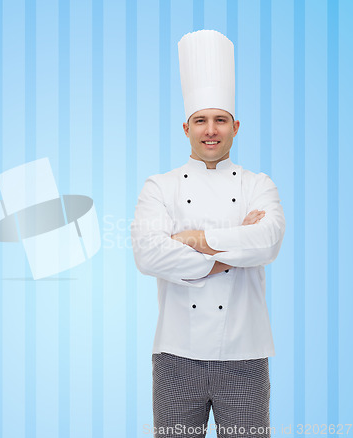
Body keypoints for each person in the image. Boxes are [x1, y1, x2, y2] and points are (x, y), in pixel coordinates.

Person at [131, 30, 285, 438]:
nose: (210, 130)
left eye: (220, 120)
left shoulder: (258, 184)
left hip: (246, 354)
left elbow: (267, 242)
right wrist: (233, 246)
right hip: (176, 354)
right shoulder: (160, 186)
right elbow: (148, 256)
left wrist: (191, 239)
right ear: (186, 127)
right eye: (201, 120)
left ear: (236, 126)